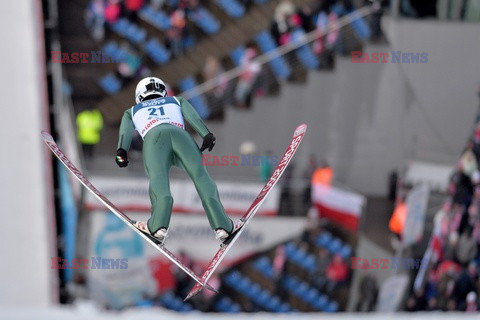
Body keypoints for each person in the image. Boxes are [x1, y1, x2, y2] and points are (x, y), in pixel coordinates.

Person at [115, 77, 243, 244]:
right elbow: (192, 116)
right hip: (181, 136)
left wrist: (121, 151)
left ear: (139, 95)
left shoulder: (132, 111)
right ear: (162, 91)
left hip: (154, 138)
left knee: (158, 178)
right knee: (201, 176)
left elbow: (125, 133)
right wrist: (206, 134)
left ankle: (157, 226)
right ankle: (223, 226)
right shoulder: (176, 100)